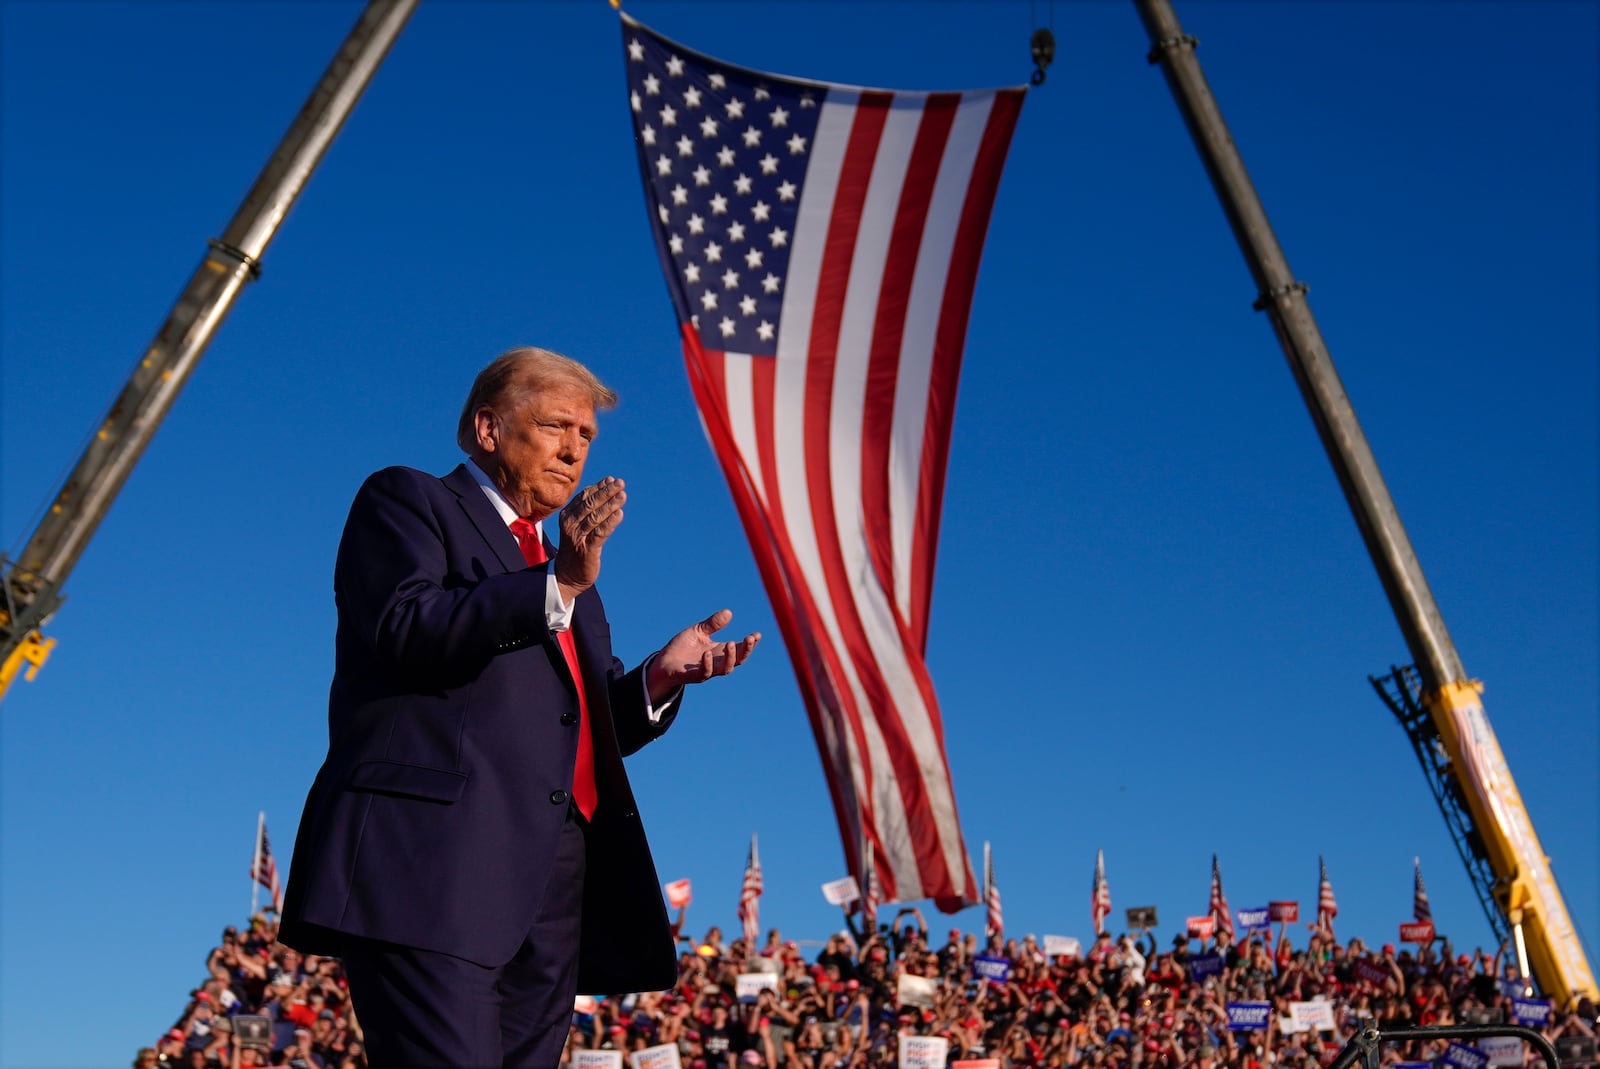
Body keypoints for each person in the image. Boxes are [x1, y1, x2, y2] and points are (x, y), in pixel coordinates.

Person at [280, 347, 760, 1068]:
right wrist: (557, 581)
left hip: (552, 892)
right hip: (431, 870)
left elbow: (582, 728)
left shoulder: (573, 582)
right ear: (488, 429)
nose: (574, 449)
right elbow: (406, 628)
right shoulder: (408, 500)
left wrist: (659, 677)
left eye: (587, 436)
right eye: (557, 425)